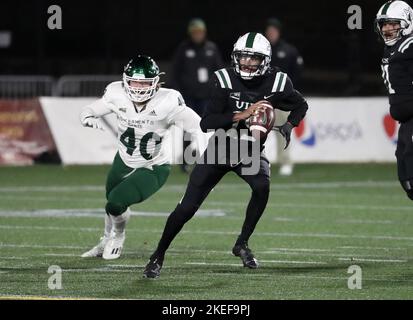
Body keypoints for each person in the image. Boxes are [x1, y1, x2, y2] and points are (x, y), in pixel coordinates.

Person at [143, 32, 308, 278]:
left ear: (265, 60)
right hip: (221, 147)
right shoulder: (224, 79)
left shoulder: (278, 82)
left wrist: (288, 125)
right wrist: (242, 115)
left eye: (254, 59)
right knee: (187, 208)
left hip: (249, 151)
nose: (247, 63)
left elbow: (300, 104)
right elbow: (206, 123)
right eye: (243, 57)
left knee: (262, 187)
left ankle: (242, 242)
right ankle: (158, 255)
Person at [79, 55, 204, 260]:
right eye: (134, 81)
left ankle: (118, 236)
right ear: (125, 80)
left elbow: (198, 125)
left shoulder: (167, 101)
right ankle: (104, 240)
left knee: (115, 204)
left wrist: (201, 149)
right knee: (111, 203)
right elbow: (91, 108)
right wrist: (86, 117)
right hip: (123, 160)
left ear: (155, 83)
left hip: (152, 166)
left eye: (144, 82)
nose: (138, 87)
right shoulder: (116, 93)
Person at [169, 18, 224, 173]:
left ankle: (208, 160)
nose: (198, 35)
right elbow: (175, 72)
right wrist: (178, 93)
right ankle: (186, 161)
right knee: (187, 129)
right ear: (190, 33)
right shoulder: (183, 49)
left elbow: (219, 71)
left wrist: (218, 91)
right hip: (189, 96)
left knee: (208, 127)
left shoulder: (211, 48)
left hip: (207, 97)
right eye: (195, 32)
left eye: (200, 32)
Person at [375, 1, 413, 201]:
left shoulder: (409, 45)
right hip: (406, 121)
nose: (387, 28)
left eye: (392, 23)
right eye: (384, 24)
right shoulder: (391, 50)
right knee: (406, 176)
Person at [265, 18, 304, 176]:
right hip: (263, 97)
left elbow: (298, 72)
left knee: (282, 130)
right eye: (268, 31)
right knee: (255, 129)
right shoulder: (263, 50)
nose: (271, 34)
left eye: (273, 31)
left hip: (281, 99)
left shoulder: (289, 50)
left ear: (278, 32)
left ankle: (285, 161)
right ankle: (253, 161)